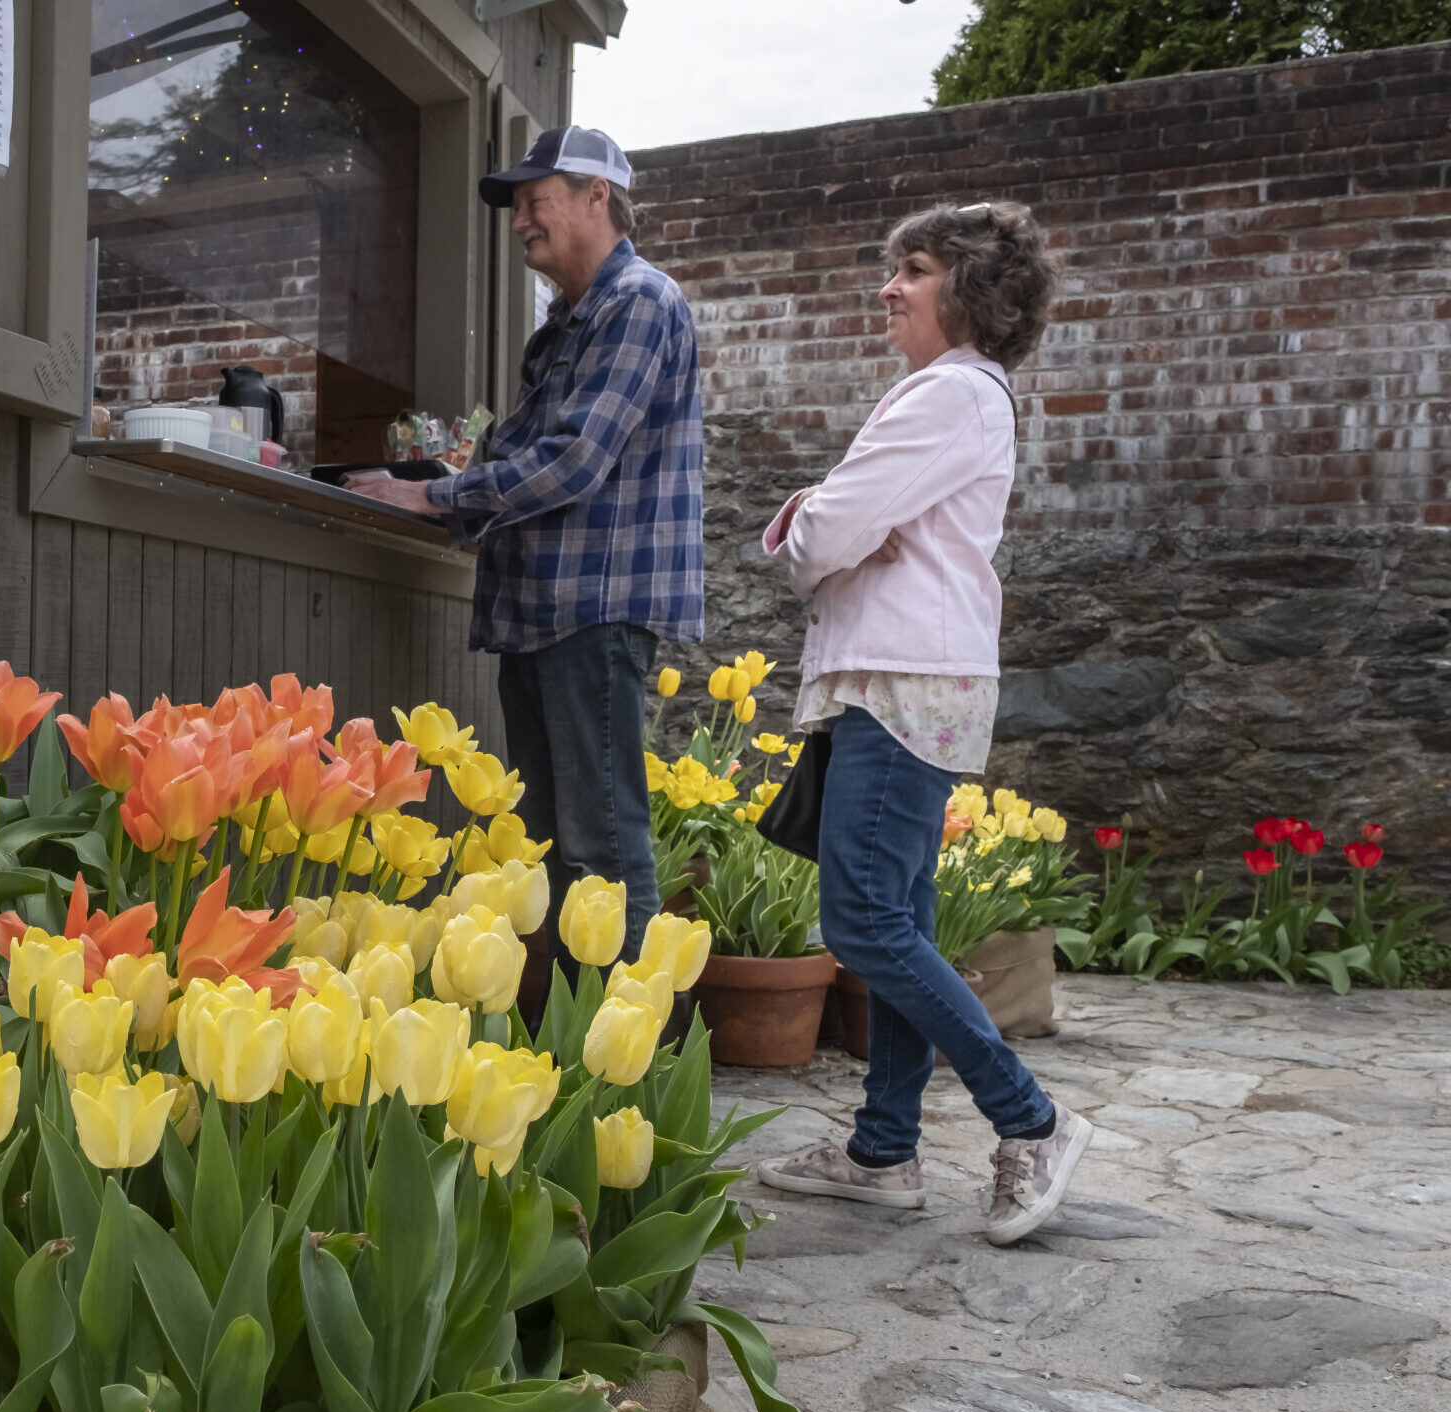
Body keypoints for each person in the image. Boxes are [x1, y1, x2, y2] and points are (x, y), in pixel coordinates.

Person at [752, 201, 1088, 1246]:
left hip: (900, 682)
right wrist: (831, 517)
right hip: (904, 678)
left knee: (864, 924)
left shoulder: (942, 396)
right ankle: (881, 1150)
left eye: (914, 269)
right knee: (895, 915)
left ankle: (1031, 1119)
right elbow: (841, 524)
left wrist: (821, 519)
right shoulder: (956, 399)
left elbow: (822, 539)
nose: (887, 288)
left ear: (969, 287)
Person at [346, 126, 703, 969]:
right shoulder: (567, 325)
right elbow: (520, 461)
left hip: (595, 611)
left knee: (603, 851)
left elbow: (575, 460)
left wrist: (430, 493)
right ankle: (572, 1058)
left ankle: (637, 1067)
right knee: (550, 848)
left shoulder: (639, 302)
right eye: (516, 207)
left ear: (596, 198)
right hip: (540, 614)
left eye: (534, 201)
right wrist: (444, 487)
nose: (518, 222)